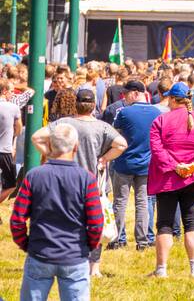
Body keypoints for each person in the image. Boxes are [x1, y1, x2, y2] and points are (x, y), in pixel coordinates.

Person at [35, 88, 127, 277]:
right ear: (93, 106)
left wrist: (52, 154)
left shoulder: (64, 123)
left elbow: (37, 137)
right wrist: (104, 159)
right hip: (93, 183)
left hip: (65, 182)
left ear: (75, 104)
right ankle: (94, 268)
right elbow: (121, 144)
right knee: (95, 225)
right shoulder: (102, 127)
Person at [11, 124, 103, 301]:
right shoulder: (87, 178)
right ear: (76, 147)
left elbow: (18, 219)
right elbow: (96, 222)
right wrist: (88, 246)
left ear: (50, 146)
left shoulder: (34, 176)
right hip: (74, 254)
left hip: (40, 252)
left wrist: (26, 244)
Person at [147, 82, 194, 278]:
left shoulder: (161, 121)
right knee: (192, 223)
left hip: (167, 178)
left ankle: (161, 269)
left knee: (164, 224)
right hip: (193, 179)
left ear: (171, 99)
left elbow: (157, 149)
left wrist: (175, 166)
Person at [110, 80, 162, 251]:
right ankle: (143, 240)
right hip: (147, 164)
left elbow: (114, 136)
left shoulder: (124, 113)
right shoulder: (156, 112)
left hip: (124, 163)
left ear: (134, 93)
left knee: (120, 202)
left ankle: (116, 238)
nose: (123, 98)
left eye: (125, 95)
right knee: (143, 202)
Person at [0, 81, 24, 205]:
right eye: (11, 92)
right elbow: (18, 128)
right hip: (4, 151)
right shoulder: (13, 107)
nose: (12, 95)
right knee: (11, 185)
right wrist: (14, 137)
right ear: (4, 91)